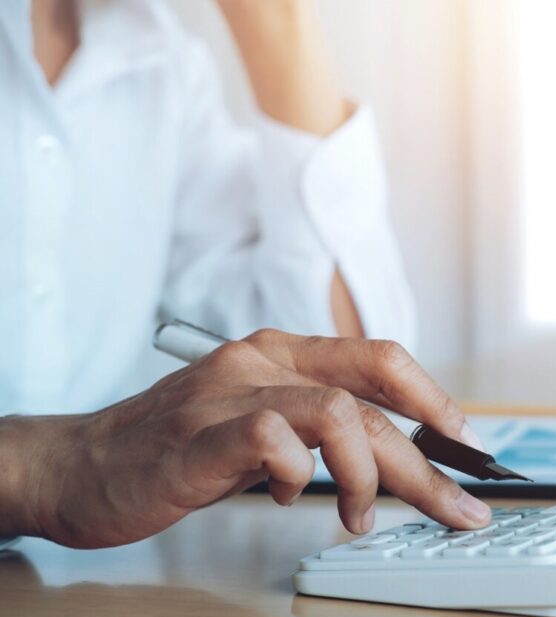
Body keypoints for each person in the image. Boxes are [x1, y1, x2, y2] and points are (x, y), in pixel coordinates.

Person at [0, 0, 491, 550]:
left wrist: (277, 21)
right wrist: (35, 473)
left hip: (71, 595)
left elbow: (332, 384)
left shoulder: (157, 55)